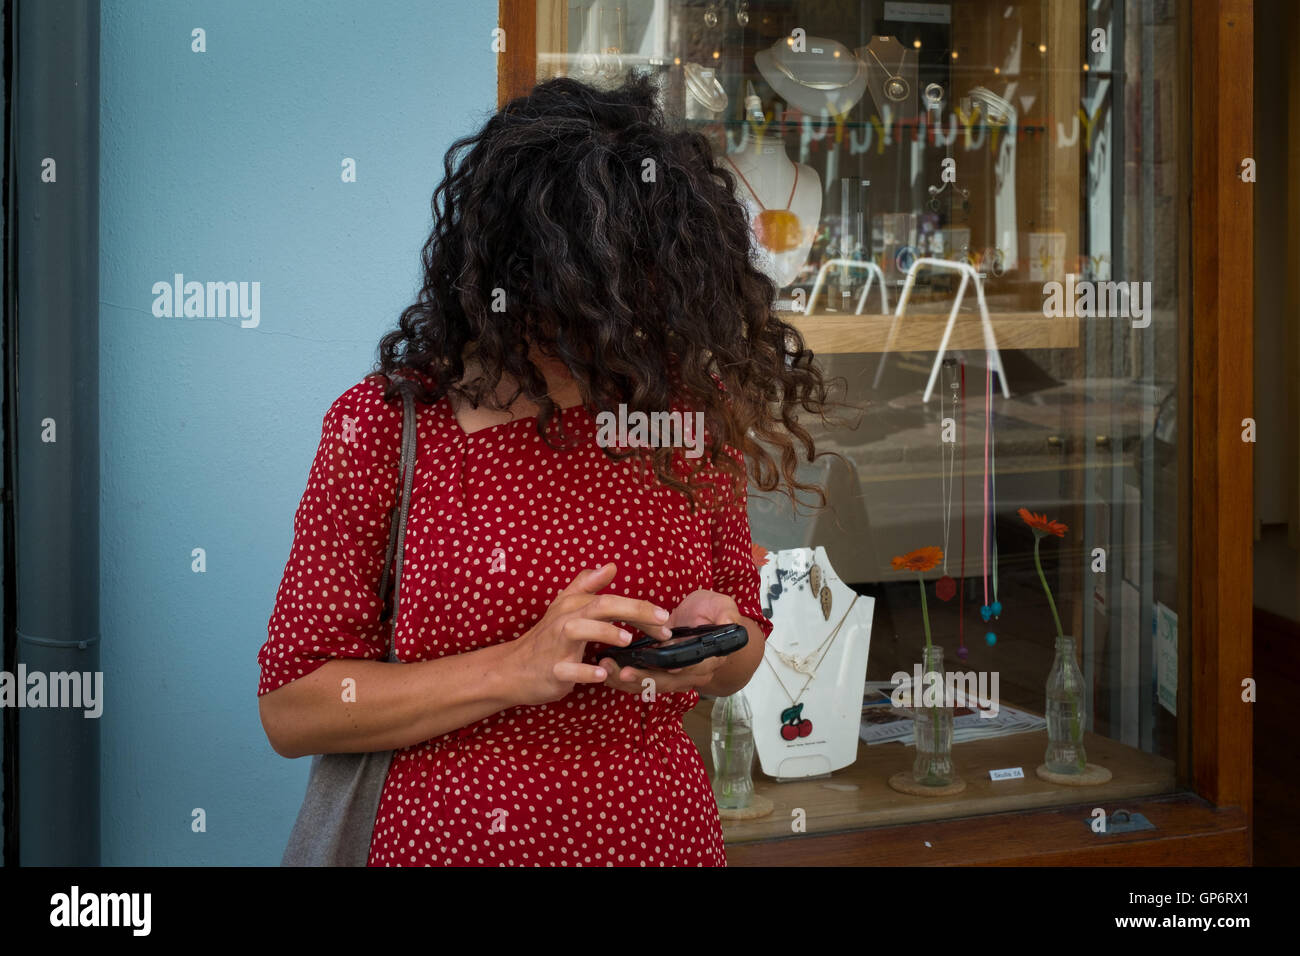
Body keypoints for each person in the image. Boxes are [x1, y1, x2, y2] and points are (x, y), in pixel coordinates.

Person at [256, 74, 834, 866]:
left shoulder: (685, 411)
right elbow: (295, 708)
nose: (602, 354)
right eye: (571, 317)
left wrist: (712, 644)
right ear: (499, 278)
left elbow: (742, 655)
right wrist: (512, 669)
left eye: (633, 319)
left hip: (658, 839)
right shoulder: (387, 426)